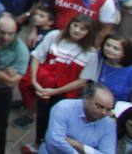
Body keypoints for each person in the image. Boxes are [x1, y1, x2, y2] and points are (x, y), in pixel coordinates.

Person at [26, 13, 99, 146]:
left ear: (89, 32)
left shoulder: (91, 53)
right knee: (42, 116)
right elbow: (37, 56)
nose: (77, 30)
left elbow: (82, 81)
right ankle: (38, 144)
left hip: (66, 95)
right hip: (43, 86)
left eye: (82, 29)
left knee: (58, 123)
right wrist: (34, 81)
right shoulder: (54, 36)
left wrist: (55, 91)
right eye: (75, 25)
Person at [0, 13, 30, 154]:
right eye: (2, 32)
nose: (5, 37)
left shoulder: (21, 50)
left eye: (10, 34)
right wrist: (2, 71)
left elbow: (11, 82)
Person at [35, 81, 117, 154]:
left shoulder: (108, 125)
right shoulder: (64, 107)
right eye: (100, 107)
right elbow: (54, 141)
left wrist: (78, 145)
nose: (104, 113)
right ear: (86, 98)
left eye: (108, 109)